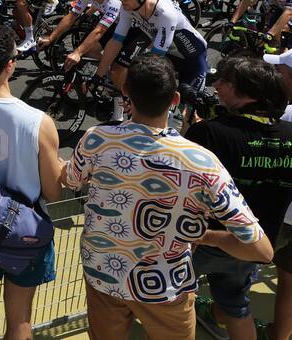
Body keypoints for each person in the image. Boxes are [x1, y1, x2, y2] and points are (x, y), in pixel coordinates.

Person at [64, 54, 272, 340]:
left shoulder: (96, 138)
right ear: (175, 99)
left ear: (126, 91)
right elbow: (262, 251)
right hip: (164, 286)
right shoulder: (202, 163)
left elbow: (71, 180)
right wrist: (205, 237)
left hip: (103, 273)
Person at [0, 25, 64, 340]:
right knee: (19, 319)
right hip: (26, 229)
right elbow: (54, 192)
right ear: (10, 64)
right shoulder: (38, 122)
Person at [183, 55, 292, 340]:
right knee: (237, 307)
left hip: (200, 241)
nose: (216, 85)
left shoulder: (209, 132)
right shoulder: (290, 134)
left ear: (248, 92)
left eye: (225, 81)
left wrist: (190, 128)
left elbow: (180, 176)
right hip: (254, 245)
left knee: (176, 301)